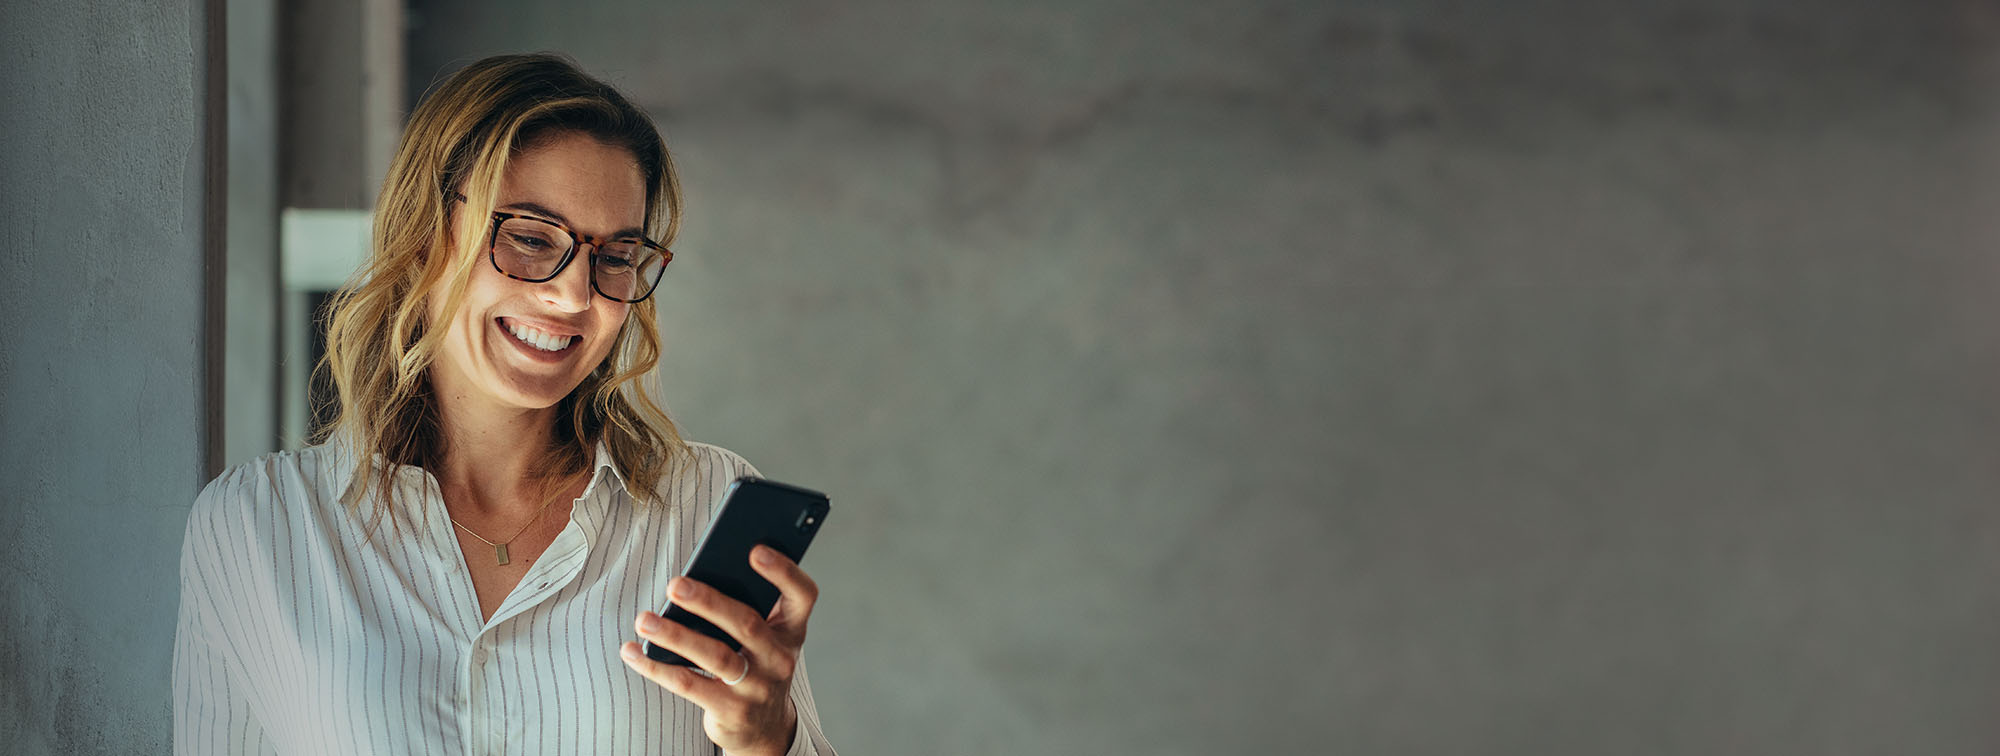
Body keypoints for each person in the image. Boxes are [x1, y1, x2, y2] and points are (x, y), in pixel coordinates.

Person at [171, 53, 837, 755]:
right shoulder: (256, 527)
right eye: (528, 238)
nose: (575, 296)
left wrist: (768, 741)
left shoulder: (700, 507)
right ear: (426, 230)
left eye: (614, 256)